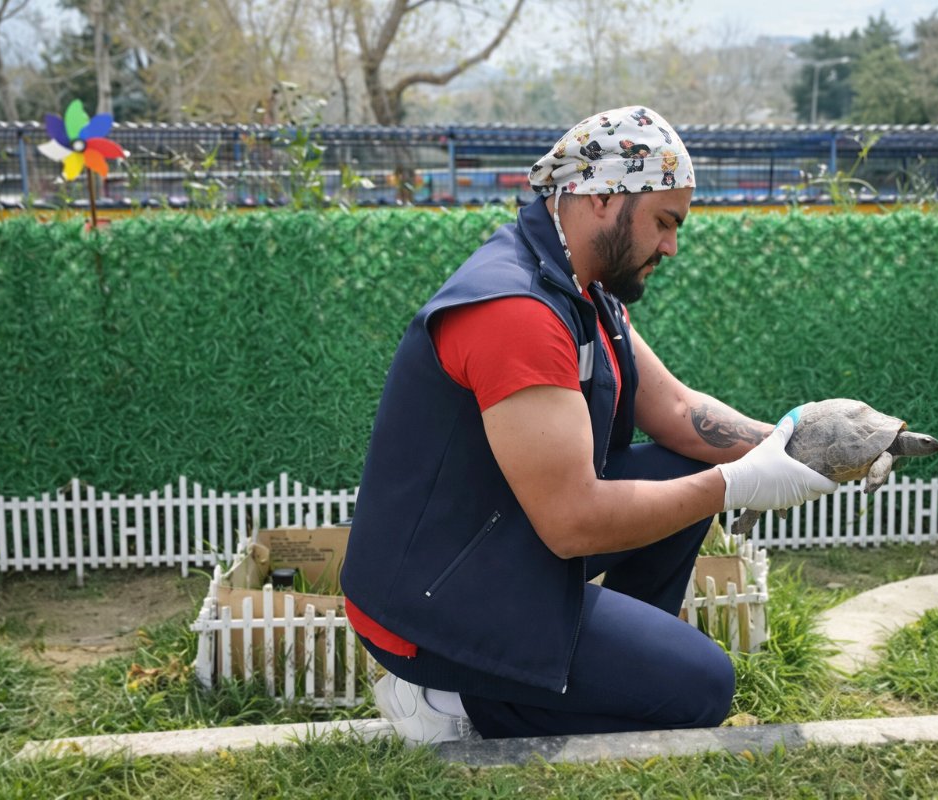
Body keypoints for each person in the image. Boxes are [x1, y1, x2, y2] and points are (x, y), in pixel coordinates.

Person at [339, 106, 837, 745]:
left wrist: (804, 444)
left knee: (686, 463)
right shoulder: (516, 310)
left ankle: (603, 670)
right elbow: (571, 522)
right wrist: (735, 486)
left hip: (491, 541)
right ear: (603, 196)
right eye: (665, 221)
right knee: (703, 687)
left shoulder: (577, 283)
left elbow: (678, 414)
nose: (671, 246)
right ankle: (446, 698)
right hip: (433, 601)